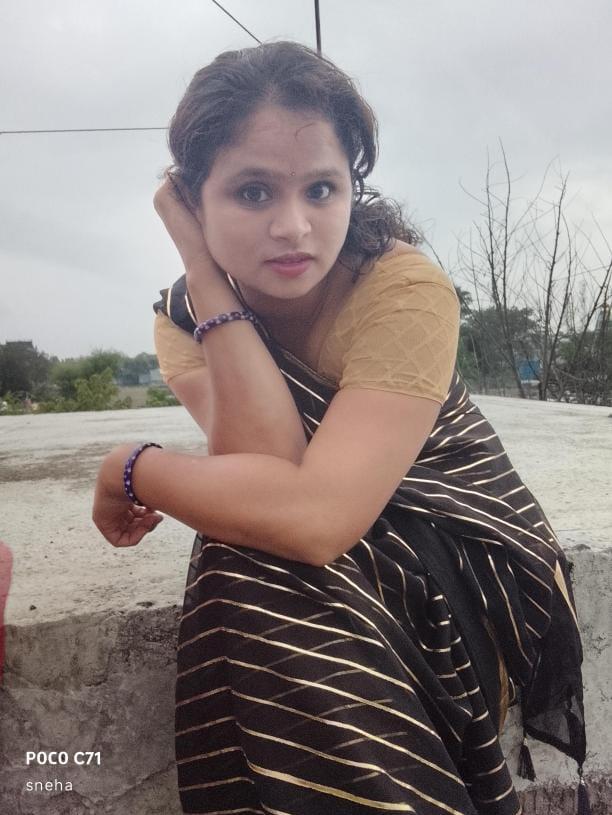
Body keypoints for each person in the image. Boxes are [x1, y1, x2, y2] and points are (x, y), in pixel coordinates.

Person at [93, 41, 586, 815]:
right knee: (242, 544)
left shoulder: (401, 288)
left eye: (321, 189)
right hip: (339, 537)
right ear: (191, 198)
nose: (294, 226)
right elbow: (270, 467)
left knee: (248, 546)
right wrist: (204, 270)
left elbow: (313, 518)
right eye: (252, 192)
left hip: (464, 558)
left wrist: (129, 465)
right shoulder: (186, 317)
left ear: (352, 187)